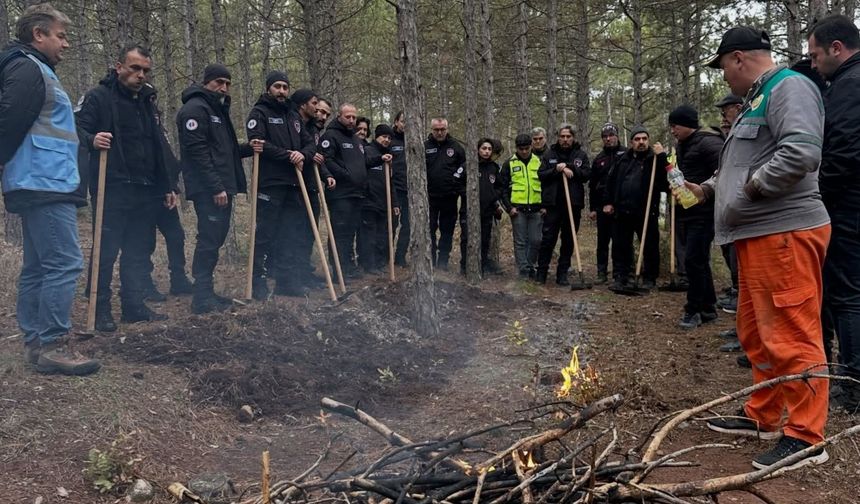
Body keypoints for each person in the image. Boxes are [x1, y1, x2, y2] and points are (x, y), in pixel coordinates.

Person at [693, 26, 831, 470]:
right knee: (757, 334)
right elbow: (743, 163)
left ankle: (807, 437)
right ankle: (764, 415)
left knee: (791, 333)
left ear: (737, 59)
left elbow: (801, 152)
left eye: (723, 69)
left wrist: (749, 193)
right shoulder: (758, 98)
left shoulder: (789, 87)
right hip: (755, 237)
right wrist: (710, 189)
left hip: (784, 233)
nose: (724, 79)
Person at [0, 3, 99, 375]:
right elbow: (9, 121)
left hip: (41, 179)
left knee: (40, 265)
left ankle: (35, 342)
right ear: (38, 34)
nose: (67, 44)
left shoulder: (34, 68)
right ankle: (53, 344)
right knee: (64, 261)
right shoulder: (27, 69)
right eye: (61, 35)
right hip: (43, 180)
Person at [76, 44, 173, 331]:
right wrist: (92, 139)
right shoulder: (98, 97)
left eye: (145, 70)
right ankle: (100, 308)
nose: (140, 75)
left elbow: (158, 146)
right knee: (106, 249)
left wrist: (166, 184)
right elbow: (75, 128)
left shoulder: (147, 102)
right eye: (135, 68)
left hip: (145, 186)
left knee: (139, 248)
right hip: (112, 185)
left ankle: (132, 305)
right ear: (119, 67)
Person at [176, 63, 263, 313]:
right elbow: (197, 151)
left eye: (227, 83)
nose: (223, 88)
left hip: (223, 185)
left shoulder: (217, 110)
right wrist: (215, 186)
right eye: (218, 82)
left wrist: (248, 147)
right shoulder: (195, 109)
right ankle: (201, 297)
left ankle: (207, 291)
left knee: (216, 237)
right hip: (209, 189)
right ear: (207, 83)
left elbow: (225, 151)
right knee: (209, 238)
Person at [809, 14, 860, 413]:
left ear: (836, 49)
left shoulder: (849, 86)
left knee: (847, 295)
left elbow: (842, 150)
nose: (813, 63)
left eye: (815, 54)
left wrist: (816, 194)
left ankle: (851, 384)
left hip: (847, 206)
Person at [246, 71, 319, 298]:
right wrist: (288, 155)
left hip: (294, 183)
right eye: (277, 86)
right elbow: (258, 144)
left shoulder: (293, 115)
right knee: (266, 233)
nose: (282, 91)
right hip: (270, 182)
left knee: (290, 233)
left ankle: (286, 282)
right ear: (269, 88)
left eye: (285, 87)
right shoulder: (259, 112)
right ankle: (257, 281)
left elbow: (309, 144)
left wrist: (302, 155)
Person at [668, 105, 722, 329]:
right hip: (688, 211)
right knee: (698, 260)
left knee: (693, 260)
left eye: (675, 126)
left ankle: (693, 310)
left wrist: (704, 193)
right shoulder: (683, 145)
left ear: (688, 124)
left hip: (705, 212)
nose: (672, 130)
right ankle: (708, 307)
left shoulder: (709, 143)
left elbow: (724, 172)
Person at [603, 126, 668, 292]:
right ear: (631, 142)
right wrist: (608, 202)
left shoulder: (655, 160)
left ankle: (649, 278)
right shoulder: (622, 160)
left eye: (644, 139)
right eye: (637, 139)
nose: (641, 142)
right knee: (620, 246)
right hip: (623, 210)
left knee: (650, 246)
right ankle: (621, 276)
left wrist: (661, 157)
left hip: (646, 211)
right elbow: (610, 182)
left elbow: (667, 182)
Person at [535, 124, 590, 285]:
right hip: (553, 205)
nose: (565, 139)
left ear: (573, 137)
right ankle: (541, 273)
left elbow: (586, 175)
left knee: (568, 240)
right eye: (562, 136)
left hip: (573, 205)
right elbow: (541, 174)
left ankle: (562, 274)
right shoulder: (550, 154)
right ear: (558, 137)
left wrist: (569, 167)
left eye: (568, 136)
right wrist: (556, 170)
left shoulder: (580, 155)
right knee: (548, 239)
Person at [291, 88, 334, 288]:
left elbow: (318, 157)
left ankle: (305, 271)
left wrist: (326, 176)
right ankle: (297, 274)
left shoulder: (316, 132)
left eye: (325, 113)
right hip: (297, 185)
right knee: (299, 232)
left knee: (310, 232)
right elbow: (300, 151)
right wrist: (308, 155)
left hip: (312, 185)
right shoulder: (299, 125)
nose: (321, 115)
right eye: (319, 110)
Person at [319, 103, 367, 276]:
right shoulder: (331, 135)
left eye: (354, 117)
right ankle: (338, 269)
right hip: (340, 193)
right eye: (348, 117)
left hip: (357, 193)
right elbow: (326, 159)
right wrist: (346, 174)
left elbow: (363, 163)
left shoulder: (356, 139)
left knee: (351, 231)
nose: (351, 120)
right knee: (339, 231)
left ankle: (348, 265)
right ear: (339, 116)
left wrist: (380, 159)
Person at [499, 133, 543, 278]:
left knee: (536, 240)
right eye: (521, 148)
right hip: (518, 209)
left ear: (531, 146)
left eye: (526, 148)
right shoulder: (509, 163)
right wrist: (509, 207)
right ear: (516, 148)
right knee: (520, 241)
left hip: (536, 208)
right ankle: (523, 270)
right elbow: (502, 189)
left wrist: (545, 206)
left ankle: (531, 265)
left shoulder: (539, 161)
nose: (524, 151)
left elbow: (547, 186)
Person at [425, 117, 466, 270]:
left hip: (450, 197)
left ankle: (443, 262)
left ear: (447, 129)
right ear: (432, 129)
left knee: (447, 231)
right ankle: (431, 260)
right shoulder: (425, 146)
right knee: (429, 230)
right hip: (430, 198)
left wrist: (457, 187)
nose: (440, 132)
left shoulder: (456, 147)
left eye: (443, 129)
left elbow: (464, 169)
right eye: (437, 129)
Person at [359, 124, 400, 272]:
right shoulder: (367, 151)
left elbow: (391, 182)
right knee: (368, 235)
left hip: (384, 202)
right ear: (377, 136)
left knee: (382, 235)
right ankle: (367, 264)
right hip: (369, 201)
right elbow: (364, 166)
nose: (387, 140)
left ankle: (379, 263)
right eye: (384, 137)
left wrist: (395, 203)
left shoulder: (388, 158)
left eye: (389, 138)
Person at [461, 138, 504, 275]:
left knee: (484, 239)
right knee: (467, 238)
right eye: (483, 148)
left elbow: (499, 187)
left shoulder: (494, 168)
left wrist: (493, 196)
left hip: (487, 210)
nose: (486, 152)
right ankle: (464, 266)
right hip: (468, 209)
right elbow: (455, 181)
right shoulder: (468, 165)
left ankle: (483, 265)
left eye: (489, 149)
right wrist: (468, 193)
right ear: (478, 150)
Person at [589, 123, 624, 284]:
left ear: (617, 135)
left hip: (621, 206)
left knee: (619, 241)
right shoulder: (599, 159)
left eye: (611, 135)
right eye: (605, 136)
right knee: (602, 241)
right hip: (601, 206)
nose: (608, 139)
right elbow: (592, 185)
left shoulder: (626, 155)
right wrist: (593, 208)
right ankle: (601, 272)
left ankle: (618, 273)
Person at [390, 111, 410, 266]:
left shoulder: (414, 140)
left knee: (408, 225)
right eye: (403, 121)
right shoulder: (389, 139)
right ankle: (385, 256)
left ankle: (400, 256)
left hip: (410, 190)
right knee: (392, 223)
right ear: (396, 122)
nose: (405, 124)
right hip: (393, 189)